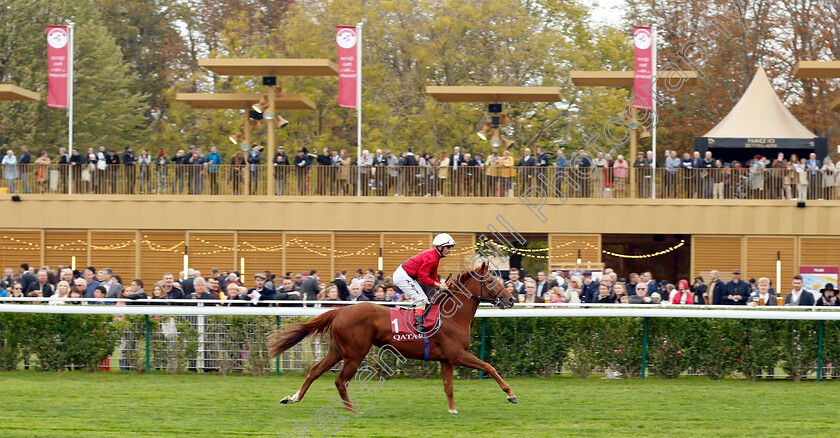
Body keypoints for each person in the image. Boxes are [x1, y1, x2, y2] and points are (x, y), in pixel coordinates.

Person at [392, 233, 456, 333]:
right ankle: (418, 326)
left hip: (407, 275)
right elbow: (423, 278)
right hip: (403, 276)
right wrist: (439, 285)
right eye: (448, 247)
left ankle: (419, 321)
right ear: (440, 247)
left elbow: (433, 277)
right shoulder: (432, 258)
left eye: (451, 247)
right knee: (421, 299)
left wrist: (442, 286)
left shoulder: (435, 257)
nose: (450, 250)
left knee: (425, 300)